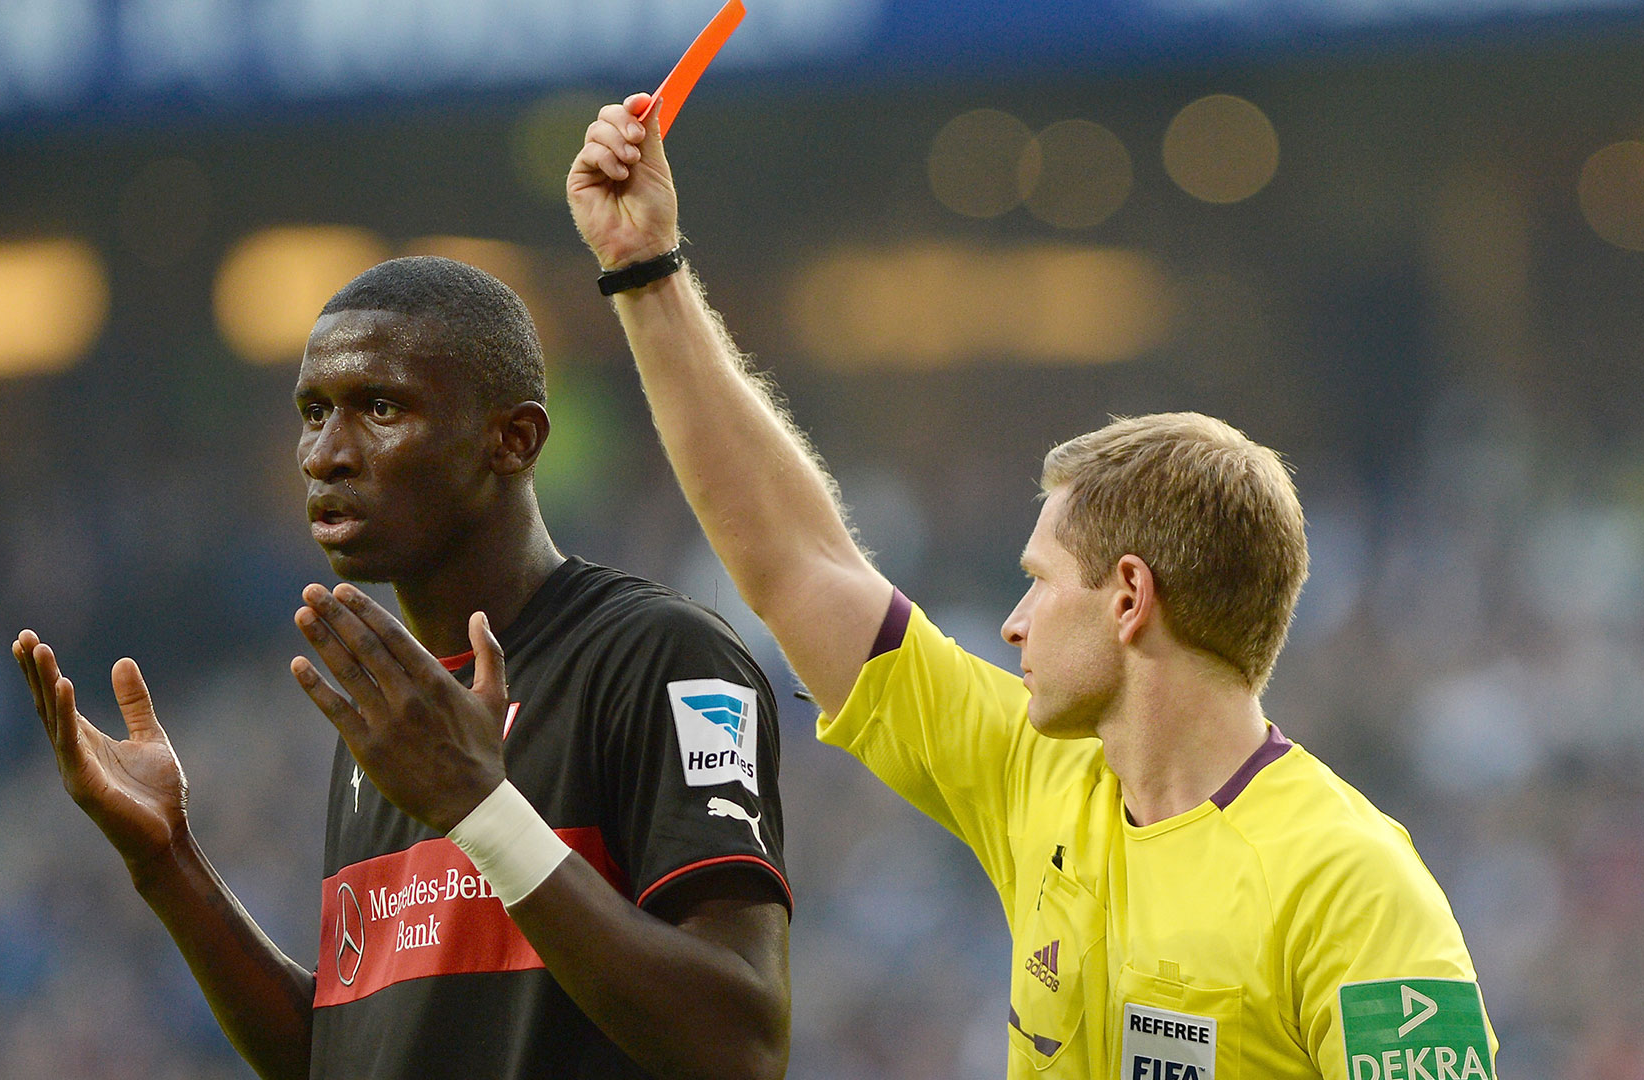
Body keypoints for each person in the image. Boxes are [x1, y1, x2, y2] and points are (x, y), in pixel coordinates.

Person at [568, 96, 1497, 1079]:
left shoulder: (1352, 882)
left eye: (1039, 584)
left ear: (1130, 599)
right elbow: (797, 563)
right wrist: (645, 271)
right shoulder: (1037, 773)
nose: (1011, 625)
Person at [12, 256, 791, 1080]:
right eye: (313, 413)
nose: (325, 455)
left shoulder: (657, 657)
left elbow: (737, 1045)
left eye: (379, 407)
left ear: (512, 439)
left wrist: (480, 809)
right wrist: (168, 864)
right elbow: (345, 1055)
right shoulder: (395, 719)